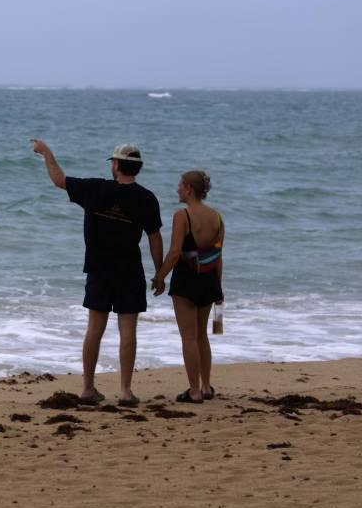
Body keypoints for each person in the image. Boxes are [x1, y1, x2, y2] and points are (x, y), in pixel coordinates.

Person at [32, 139, 164, 406]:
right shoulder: (147, 198)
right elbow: (154, 237)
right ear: (137, 168)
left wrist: (47, 152)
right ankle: (126, 391)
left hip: (98, 269)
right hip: (129, 270)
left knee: (95, 329)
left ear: (116, 165)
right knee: (128, 332)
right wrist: (160, 272)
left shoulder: (95, 189)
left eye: (113, 162)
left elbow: (59, 180)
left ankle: (88, 388)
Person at [152, 171, 224, 403]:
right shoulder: (217, 218)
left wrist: (159, 277)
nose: (177, 189)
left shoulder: (182, 216)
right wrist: (218, 290)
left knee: (189, 338)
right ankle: (205, 387)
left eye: (180, 186)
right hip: (210, 278)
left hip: (187, 280)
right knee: (202, 335)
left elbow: (175, 253)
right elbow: (218, 256)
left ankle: (193, 391)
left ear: (189, 189)